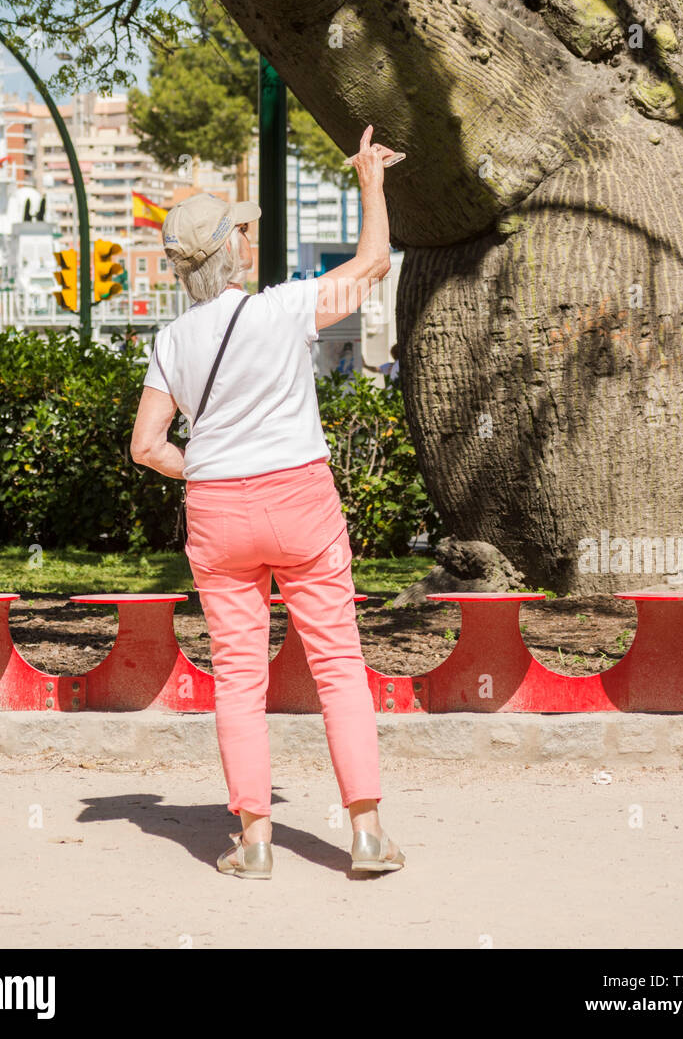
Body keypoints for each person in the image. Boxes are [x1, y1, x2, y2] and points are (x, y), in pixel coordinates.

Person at [130, 125, 406, 879]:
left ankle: (253, 844)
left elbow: (146, 445)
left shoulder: (171, 340)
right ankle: (369, 834)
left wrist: (205, 470)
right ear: (233, 252)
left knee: (241, 679)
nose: (249, 243)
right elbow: (375, 264)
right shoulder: (283, 310)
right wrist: (370, 181)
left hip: (219, 514)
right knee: (339, 665)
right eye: (242, 235)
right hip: (301, 498)